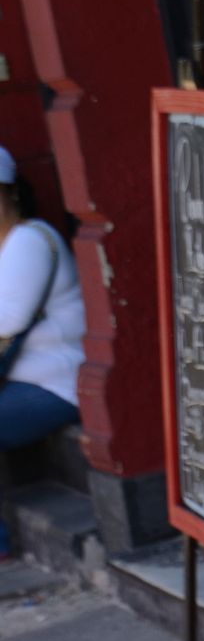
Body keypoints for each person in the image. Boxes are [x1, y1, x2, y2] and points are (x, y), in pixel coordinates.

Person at [0, 148, 85, 560]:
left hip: (57, 383)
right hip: (20, 382)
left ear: (11, 192)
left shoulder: (29, 240)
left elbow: (7, 321)